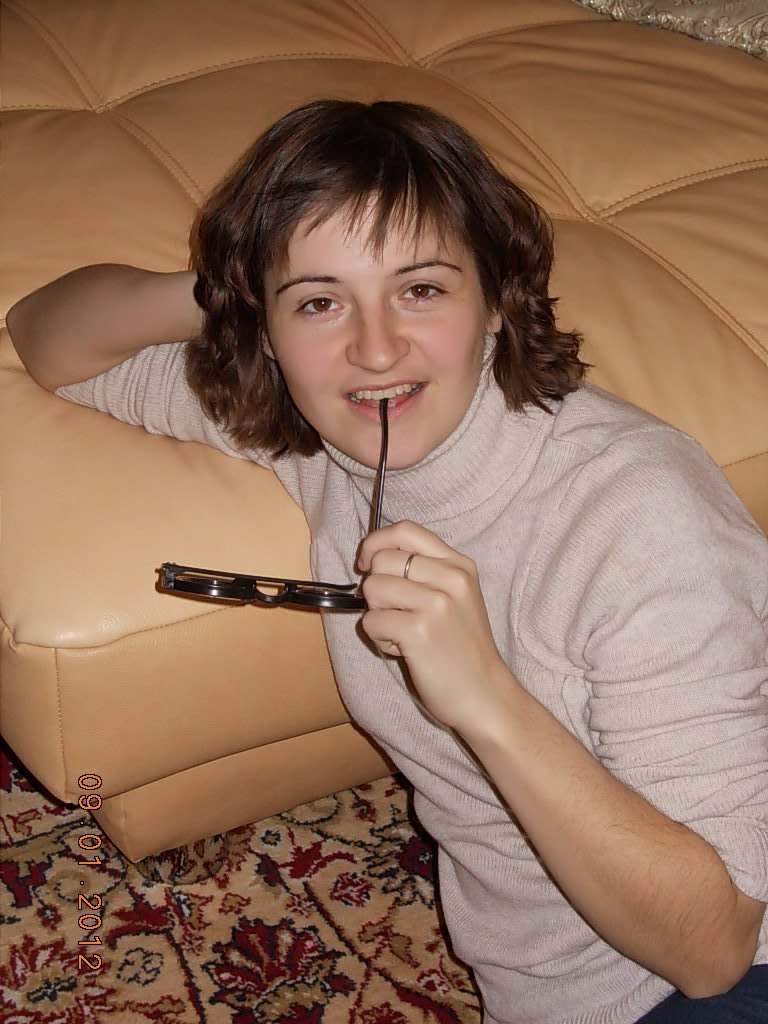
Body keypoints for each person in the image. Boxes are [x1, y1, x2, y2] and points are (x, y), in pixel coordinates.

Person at [8, 99, 768, 1024]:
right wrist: (236, 289)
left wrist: (486, 699)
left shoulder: (638, 517)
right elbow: (49, 336)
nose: (375, 350)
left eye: (421, 289)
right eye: (322, 302)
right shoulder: (322, 431)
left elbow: (714, 949)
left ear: (497, 300)